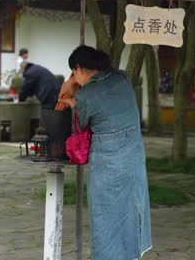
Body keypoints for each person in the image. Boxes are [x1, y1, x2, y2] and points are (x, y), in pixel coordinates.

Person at [59, 45, 152, 260]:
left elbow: (79, 126)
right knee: (131, 208)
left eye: (74, 72)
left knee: (106, 217)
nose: (74, 77)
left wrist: (71, 91)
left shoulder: (88, 94)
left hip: (108, 164)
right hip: (134, 156)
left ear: (79, 68)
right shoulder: (122, 78)